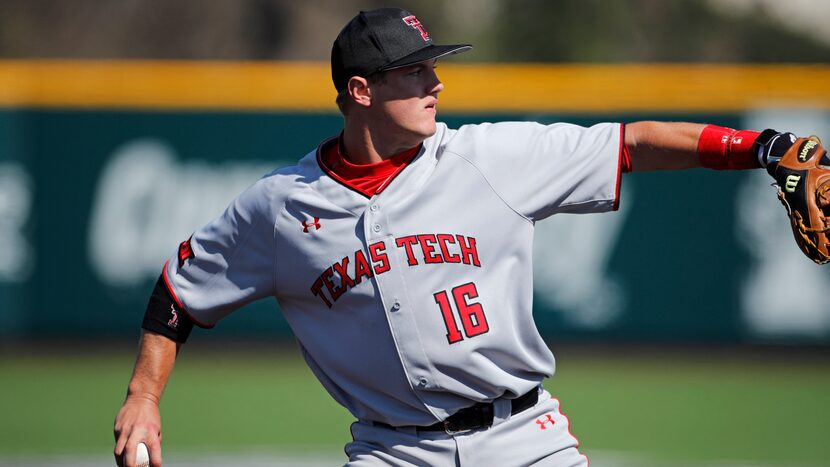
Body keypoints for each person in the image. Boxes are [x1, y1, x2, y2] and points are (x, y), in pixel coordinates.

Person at [113, 7, 797, 467]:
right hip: (392, 451)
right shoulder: (282, 209)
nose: (435, 81)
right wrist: (144, 395)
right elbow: (180, 291)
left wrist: (761, 146)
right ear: (360, 90)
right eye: (414, 70)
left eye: (432, 65)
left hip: (525, 439)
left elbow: (633, 144)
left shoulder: (489, 158)